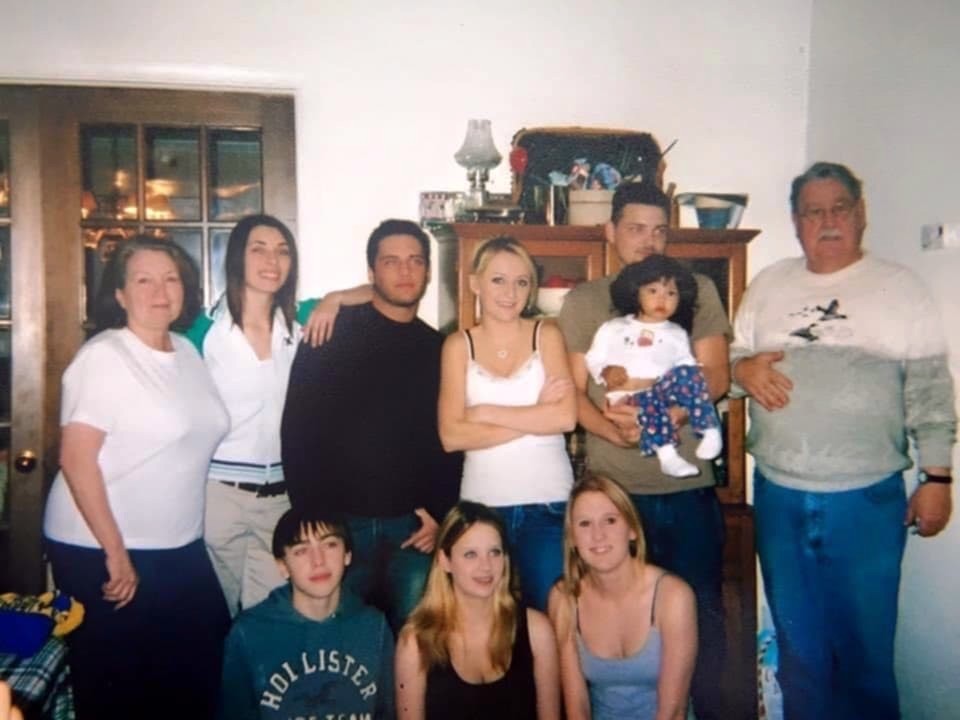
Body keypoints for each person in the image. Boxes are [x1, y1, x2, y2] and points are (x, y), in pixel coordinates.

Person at [730, 161, 956, 720]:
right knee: (799, 654)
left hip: (868, 500)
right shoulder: (768, 284)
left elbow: (930, 389)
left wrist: (937, 476)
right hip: (779, 495)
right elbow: (732, 361)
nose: (827, 221)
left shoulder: (900, 288)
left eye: (839, 208)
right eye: (814, 211)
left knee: (865, 659)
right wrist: (742, 371)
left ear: (860, 214)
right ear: (796, 221)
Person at [557, 180, 730, 719]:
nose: (648, 241)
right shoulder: (586, 300)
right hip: (615, 494)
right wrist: (613, 433)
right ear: (610, 232)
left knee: (702, 624)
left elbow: (716, 375)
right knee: (626, 632)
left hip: (687, 490)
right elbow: (572, 392)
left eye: (659, 230)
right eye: (635, 228)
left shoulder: (694, 289)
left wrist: (669, 415)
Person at [43, 236, 230, 719]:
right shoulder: (105, 356)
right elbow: (76, 459)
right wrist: (116, 552)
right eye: (143, 280)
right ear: (120, 294)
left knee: (199, 670)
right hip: (101, 548)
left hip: (179, 545)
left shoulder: (186, 351)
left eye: (171, 279)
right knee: (121, 692)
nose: (160, 291)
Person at [281, 218, 462, 632]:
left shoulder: (438, 348)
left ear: (428, 272)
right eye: (391, 261)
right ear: (371, 272)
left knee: (412, 644)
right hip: (341, 528)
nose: (405, 271)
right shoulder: (330, 333)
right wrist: (314, 521)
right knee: (343, 642)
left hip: (412, 532)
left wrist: (440, 514)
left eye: (415, 261)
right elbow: (298, 434)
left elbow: (449, 441)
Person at [186, 213, 371, 616]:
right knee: (212, 616)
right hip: (219, 495)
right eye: (259, 249)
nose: (272, 261)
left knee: (271, 614)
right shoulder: (202, 330)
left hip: (281, 499)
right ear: (238, 257)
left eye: (282, 251)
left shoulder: (300, 320)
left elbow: (377, 292)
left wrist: (333, 299)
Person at [438, 235, 576, 611]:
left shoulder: (546, 334)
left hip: (549, 503)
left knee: (552, 616)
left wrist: (485, 412)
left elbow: (565, 417)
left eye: (521, 282)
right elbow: (451, 435)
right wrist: (536, 413)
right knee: (487, 622)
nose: (510, 293)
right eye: (498, 280)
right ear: (475, 283)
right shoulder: (457, 346)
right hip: (482, 508)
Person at [219, 506, 395, 720]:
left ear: (347, 555)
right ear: (282, 566)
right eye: (301, 550)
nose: (318, 560)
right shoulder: (249, 633)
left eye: (330, 545)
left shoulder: (374, 627)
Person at [548, 474, 697, 719]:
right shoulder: (564, 597)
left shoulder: (673, 596)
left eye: (610, 520)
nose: (598, 535)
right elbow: (577, 707)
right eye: (584, 524)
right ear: (572, 538)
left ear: (632, 530)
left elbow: (673, 712)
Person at [395, 501, 561, 719]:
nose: (486, 566)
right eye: (470, 554)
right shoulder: (415, 642)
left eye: (494, 552)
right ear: (445, 561)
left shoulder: (537, 631)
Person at [585, 256, 722, 478]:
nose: (662, 299)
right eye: (652, 291)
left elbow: (685, 365)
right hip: (625, 398)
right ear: (635, 293)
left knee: (691, 373)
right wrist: (606, 371)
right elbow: (593, 358)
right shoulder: (614, 328)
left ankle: (709, 430)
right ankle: (668, 457)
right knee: (650, 404)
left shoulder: (676, 333)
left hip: (660, 392)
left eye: (671, 293)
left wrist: (690, 382)